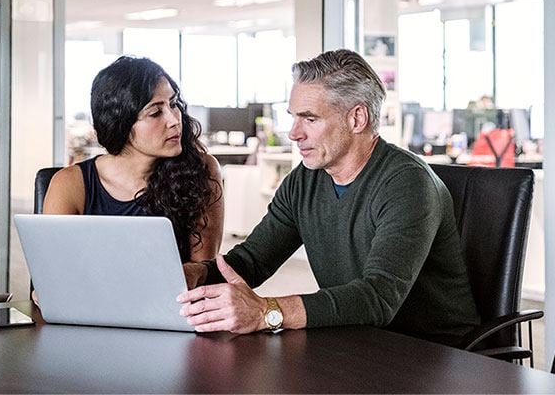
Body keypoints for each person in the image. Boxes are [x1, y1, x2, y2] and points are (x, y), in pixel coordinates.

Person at [178, 49, 480, 346]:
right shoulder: (305, 180)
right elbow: (251, 262)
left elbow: (378, 297)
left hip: (436, 354)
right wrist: (189, 277)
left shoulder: (407, 183)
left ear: (357, 118)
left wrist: (266, 311)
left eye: (309, 119)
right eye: (293, 118)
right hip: (360, 342)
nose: (294, 133)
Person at [43, 56, 223, 264]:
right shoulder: (70, 184)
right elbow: (53, 269)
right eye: (155, 113)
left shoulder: (200, 170)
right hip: (93, 296)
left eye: (174, 104)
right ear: (121, 124)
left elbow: (202, 271)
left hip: (171, 297)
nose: (174, 120)